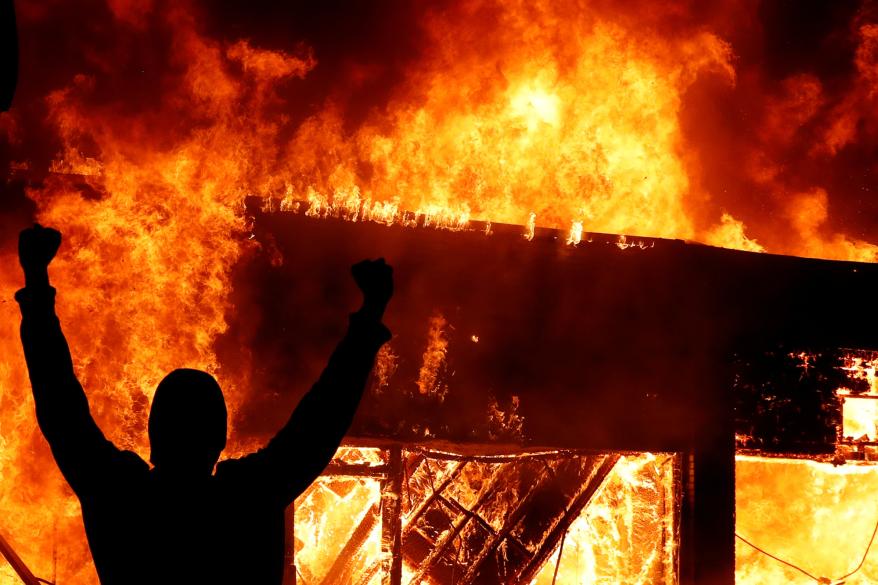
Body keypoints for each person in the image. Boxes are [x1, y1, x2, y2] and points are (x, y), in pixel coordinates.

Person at [16, 223, 393, 585]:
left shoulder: (121, 497)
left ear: (153, 434)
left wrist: (36, 285)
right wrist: (369, 318)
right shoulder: (247, 500)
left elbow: (61, 409)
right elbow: (319, 423)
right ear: (219, 438)